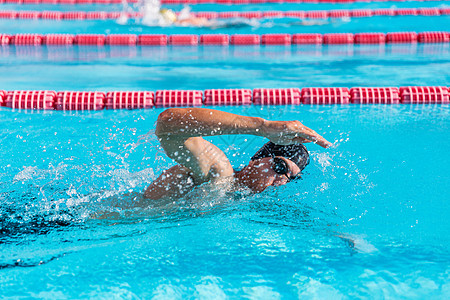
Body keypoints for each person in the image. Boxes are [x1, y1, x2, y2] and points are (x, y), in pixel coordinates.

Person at [144, 108, 332, 200]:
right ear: (257, 160)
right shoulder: (219, 172)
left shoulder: (240, 199)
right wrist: (261, 127)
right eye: (280, 167)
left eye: (291, 178)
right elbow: (167, 123)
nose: (281, 180)